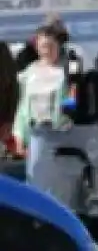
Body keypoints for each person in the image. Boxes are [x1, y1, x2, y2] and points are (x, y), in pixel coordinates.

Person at [11, 26, 69, 155]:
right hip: (33, 137)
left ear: (59, 46)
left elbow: (68, 109)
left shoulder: (65, 73)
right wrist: (19, 137)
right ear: (37, 47)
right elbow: (22, 108)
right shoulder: (28, 74)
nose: (48, 50)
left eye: (52, 46)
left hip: (57, 139)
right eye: (44, 46)